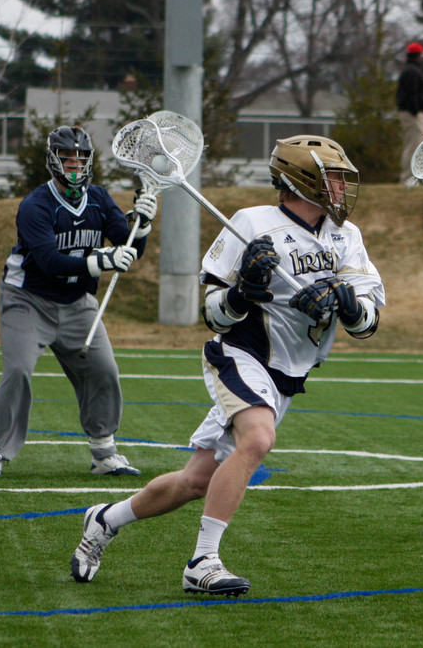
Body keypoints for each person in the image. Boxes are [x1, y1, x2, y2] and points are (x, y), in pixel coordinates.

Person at [69, 135, 385, 595]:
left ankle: (105, 518)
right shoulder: (250, 224)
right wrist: (243, 291)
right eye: (332, 178)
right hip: (242, 354)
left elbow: (368, 322)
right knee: (258, 439)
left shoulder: (347, 236)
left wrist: (347, 305)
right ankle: (203, 562)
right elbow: (213, 313)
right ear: (301, 180)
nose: (341, 189)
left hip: (288, 374)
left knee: (195, 480)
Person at [0, 126, 157, 478]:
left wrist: (144, 225)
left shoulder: (101, 199)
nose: (75, 165)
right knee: (17, 371)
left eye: (81, 158)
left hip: (77, 302)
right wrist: (99, 261)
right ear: (53, 160)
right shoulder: (35, 205)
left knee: (104, 370)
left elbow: (129, 248)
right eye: (67, 158)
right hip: (28, 299)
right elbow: (49, 262)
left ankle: (104, 454)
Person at [396, 42, 423, 183]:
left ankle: (414, 176)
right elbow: (411, 94)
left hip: (411, 113)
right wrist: (416, 111)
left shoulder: (410, 70)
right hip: (412, 114)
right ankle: (408, 177)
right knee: (413, 146)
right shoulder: (412, 71)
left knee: (415, 144)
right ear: (418, 56)